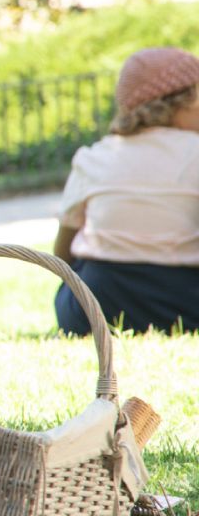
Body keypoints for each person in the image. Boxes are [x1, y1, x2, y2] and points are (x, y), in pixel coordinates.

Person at [53, 46, 199, 336]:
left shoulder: (94, 156)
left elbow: (63, 252)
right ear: (187, 101)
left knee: (76, 280)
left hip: (97, 303)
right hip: (185, 300)